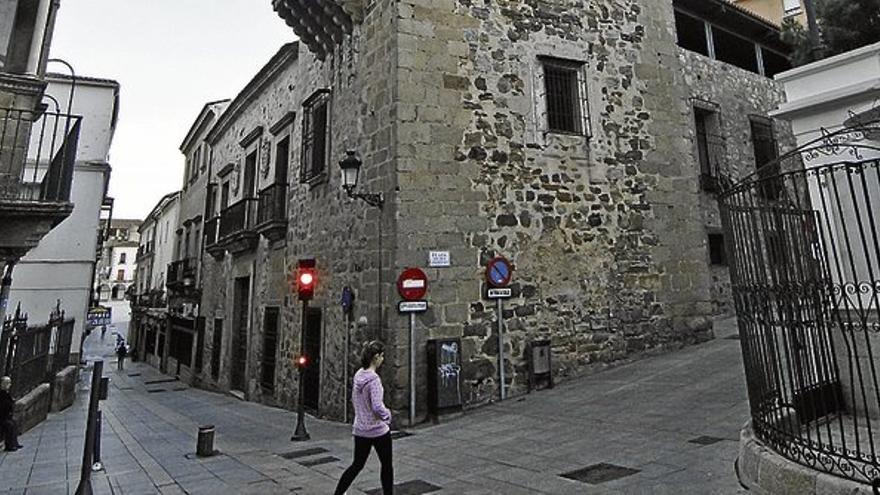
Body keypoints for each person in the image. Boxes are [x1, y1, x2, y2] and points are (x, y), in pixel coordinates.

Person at [334, 341, 394, 495]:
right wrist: (387, 415)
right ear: (375, 357)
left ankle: (339, 493)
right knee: (387, 466)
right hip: (378, 430)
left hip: (361, 429)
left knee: (357, 465)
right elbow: (377, 406)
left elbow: (355, 400)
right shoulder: (374, 380)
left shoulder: (359, 375)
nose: (383, 359)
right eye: (381, 356)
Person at [0, 376, 22, 452]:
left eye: (9, 383)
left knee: (14, 423)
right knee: (9, 425)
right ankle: (9, 445)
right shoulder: (2, 393)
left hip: (6, 416)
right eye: (7, 383)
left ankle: (14, 443)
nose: (9, 384)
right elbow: (4, 405)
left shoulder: (6, 393)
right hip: (2, 417)